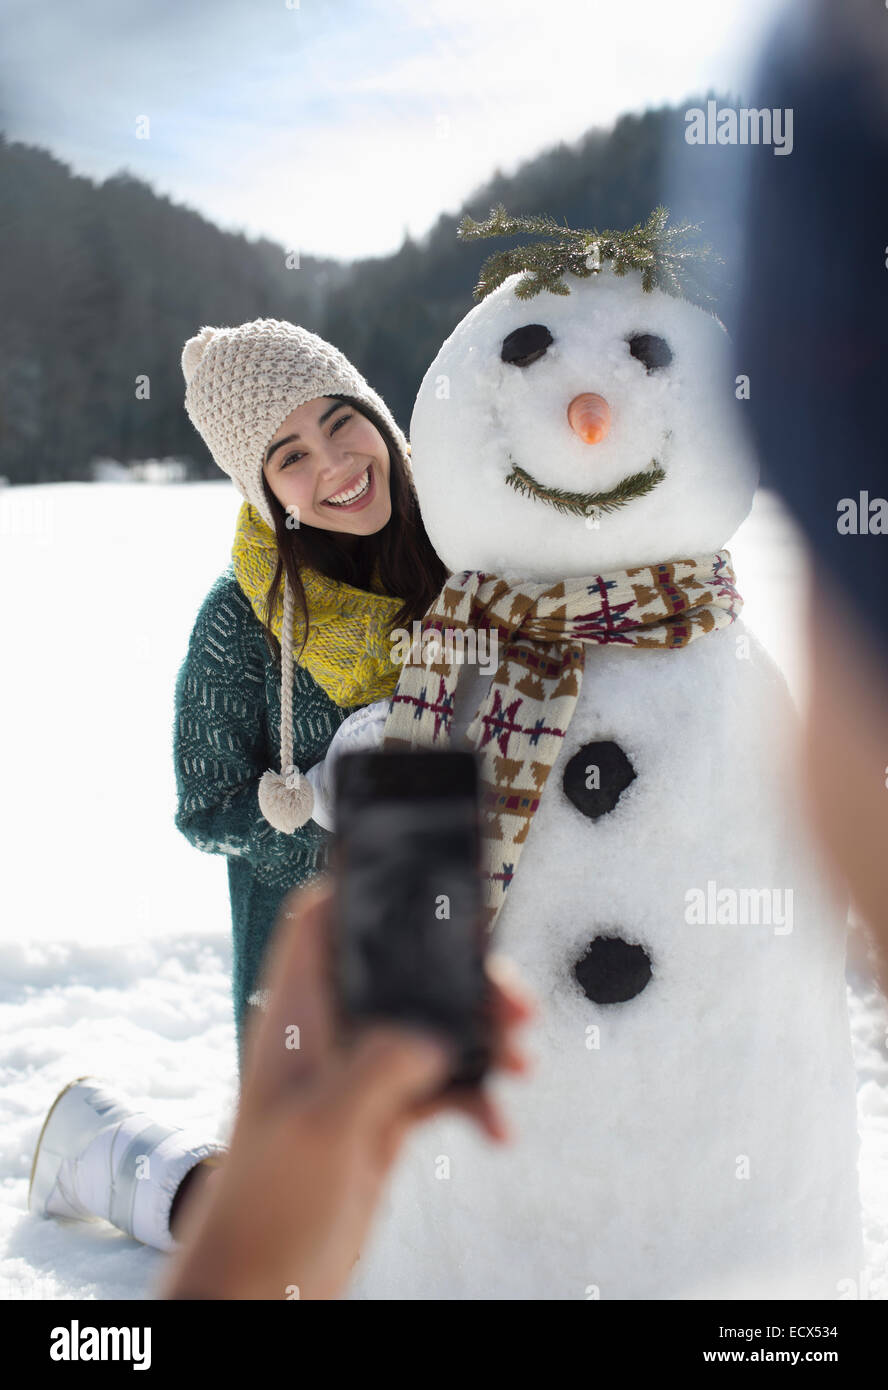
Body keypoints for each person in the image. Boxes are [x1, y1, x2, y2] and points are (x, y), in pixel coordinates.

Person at [27, 319, 476, 1260]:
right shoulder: (243, 621)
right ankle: (114, 1156)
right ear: (264, 490)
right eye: (290, 455)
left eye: (340, 421)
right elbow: (203, 805)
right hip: (313, 964)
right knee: (331, 1238)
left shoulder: (468, 548)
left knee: (473, 1208)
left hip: (481, 936)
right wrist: (316, 808)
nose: (336, 464)